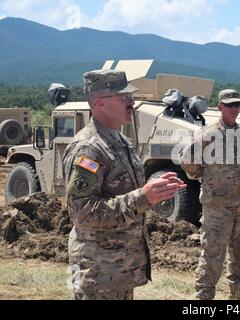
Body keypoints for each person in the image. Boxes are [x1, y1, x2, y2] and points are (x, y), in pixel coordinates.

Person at [62, 70, 186, 300]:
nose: (132, 102)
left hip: (119, 269)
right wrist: (143, 197)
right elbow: (82, 212)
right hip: (97, 273)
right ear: (99, 103)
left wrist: (152, 188)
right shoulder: (88, 149)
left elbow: (125, 191)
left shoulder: (120, 142)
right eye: (123, 97)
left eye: (131, 96)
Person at [179, 89, 240, 300]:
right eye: (229, 105)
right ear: (219, 106)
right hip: (217, 206)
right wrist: (207, 178)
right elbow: (188, 161)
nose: (234, 109)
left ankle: (238, 290)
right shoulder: (207, 134)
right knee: (213, 252)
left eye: (237, 105)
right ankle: (203, 296)